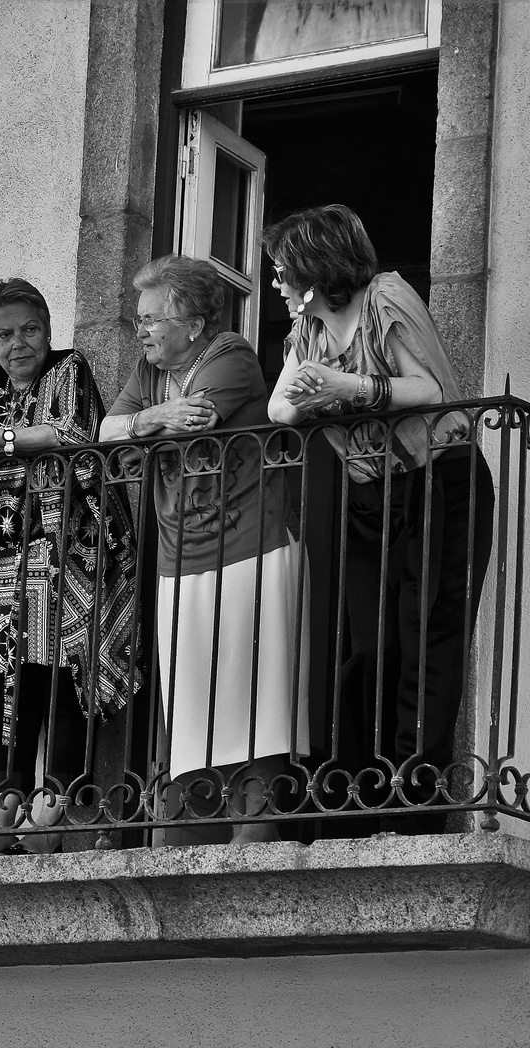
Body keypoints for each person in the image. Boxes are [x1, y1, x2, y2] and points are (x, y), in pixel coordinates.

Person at [264, 204, 494, 830]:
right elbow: (280, 410)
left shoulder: (385, 298)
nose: (277, 284)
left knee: (426, 639)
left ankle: (414, 801)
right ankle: (360, 795)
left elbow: (430, 392)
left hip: (439, 480)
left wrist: (349, 390)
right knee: (364, 642)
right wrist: (315, 393)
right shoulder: (305, 335)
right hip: (370, 492)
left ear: (316, 269)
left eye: (284, 272)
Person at [0, 278, 142, 856]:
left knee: (66, 680)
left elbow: (73, 433)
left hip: (67, 560)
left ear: (48, 331)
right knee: (6, 685)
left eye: (30, 330)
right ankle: (3, 817)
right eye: (4, 334)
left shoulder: (71, 370)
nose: (18, 344)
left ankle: (59, 815)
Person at [100, 255, 308, 843]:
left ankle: (256, 832)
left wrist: (146, 423)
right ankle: (186, 834)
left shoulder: (231, 355)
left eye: (149, 319)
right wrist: (152, 418)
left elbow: (195, 422)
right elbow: (105, 431)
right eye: (137, 318)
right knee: (191, 700)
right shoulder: (149, 377)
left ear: (191, 324)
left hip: (251, 544)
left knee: (252, 691)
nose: (138, 330)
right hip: (178, 551)